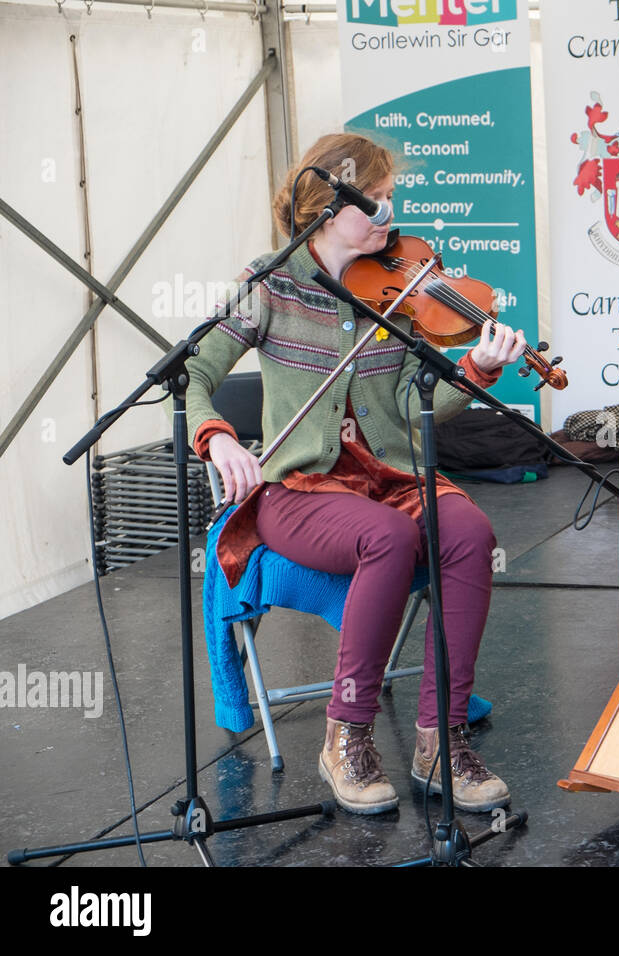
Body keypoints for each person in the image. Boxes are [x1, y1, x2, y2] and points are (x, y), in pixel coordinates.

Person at [186, 133, 527, 815]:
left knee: (468, 527)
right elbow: (194, 372)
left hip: (388, 477)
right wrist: (218, 437)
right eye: (372, 199)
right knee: (390, 539)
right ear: (324, 207)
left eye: (389, 197)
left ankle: (441, 737)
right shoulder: (270, 284)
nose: (388, 211)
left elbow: (409, 404)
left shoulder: (400, 292)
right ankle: (347, 735)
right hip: (298, 488)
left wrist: (478, 371)